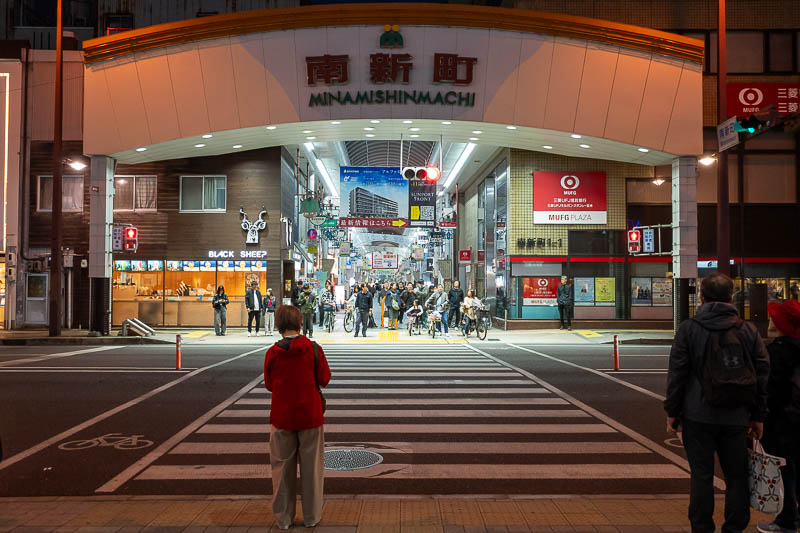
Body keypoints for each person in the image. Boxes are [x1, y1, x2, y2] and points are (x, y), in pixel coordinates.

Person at [664, 273, 770, 533]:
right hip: (736, 414)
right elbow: (762, 374)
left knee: (701, 474)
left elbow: (677, 374)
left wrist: (672, 412)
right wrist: (758, 415)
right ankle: (734, 527)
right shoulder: (748, 330)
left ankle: (702, 528)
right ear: (731, 297)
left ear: (701, 297)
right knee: (736, 474)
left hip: (697, 414)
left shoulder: (689, 329)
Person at [264, 305, 331, 530]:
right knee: (312, 469)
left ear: (278, 325)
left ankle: (283, 519)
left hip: (282, 417)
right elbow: (324, 379)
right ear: (299, 322)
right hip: (310, 416)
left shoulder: (273, 353)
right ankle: (312, 517)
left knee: (282, 470)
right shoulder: (312, 349)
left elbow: (269, 385)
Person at [757, 299, 800, 533]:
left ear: (782, 323)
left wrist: (757, 417)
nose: (770, 320)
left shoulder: (777, 352)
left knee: (783, 469)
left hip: (781, 422)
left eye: (774, 317)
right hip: (796, 418)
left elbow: (767, 390)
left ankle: (787, 520)